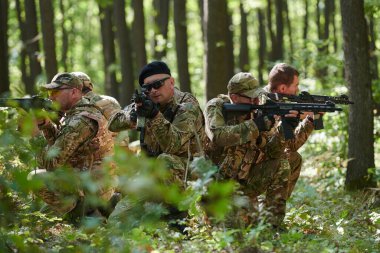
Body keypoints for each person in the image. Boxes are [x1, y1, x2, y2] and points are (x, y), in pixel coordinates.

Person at [204, 72, 289, 227]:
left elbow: (273, 152)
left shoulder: (256, 111)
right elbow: (218, 136)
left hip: (245, 183)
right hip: (219, 186)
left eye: (257, 96)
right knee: (234, 230)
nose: (256, 101)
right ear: (234, 97)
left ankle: (273, 225)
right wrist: (256, 125)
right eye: (251, 97)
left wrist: (285, 127)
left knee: (282, 163)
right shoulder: (216, 106)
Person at [28, 72, 116, 220]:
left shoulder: (80, 120)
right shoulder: (77, 113)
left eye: (55, 91)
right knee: (41, 216)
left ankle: (82, 216)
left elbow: (51, 163)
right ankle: (88, 211)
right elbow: (59, 144)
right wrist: (46, 125)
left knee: (35, 177)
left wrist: (35, 135)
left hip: (93, 188)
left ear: (74, 92)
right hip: (91, 181)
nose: (51, 96)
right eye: (50, 92)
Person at [108, 61, 206, 185]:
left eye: (158, 84)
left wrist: (154, 115)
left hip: (189, 174)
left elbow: (172, 145)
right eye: (148, 87)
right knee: (124, 203)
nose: (153, 90)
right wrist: (133, 116)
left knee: (165, 161)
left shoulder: (187, 106)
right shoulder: (147, 103)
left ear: (171, 82)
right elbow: (112, 124)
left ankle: (174, 204)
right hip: (153, 173)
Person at [265, 63, 315, 198]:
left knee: (294, 157)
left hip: (267, 155)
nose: (298, 90)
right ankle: (270, 210)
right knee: (285, 160)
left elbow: (291, 145)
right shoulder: (261, 103)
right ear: (282, 88)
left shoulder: (285, 103)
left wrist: (309, 120)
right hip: (252, 159)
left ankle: (275, 207)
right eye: (296, 85)